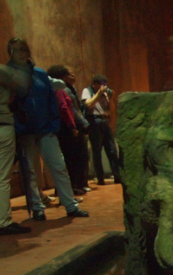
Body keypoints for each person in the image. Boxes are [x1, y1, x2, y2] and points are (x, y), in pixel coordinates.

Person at [7, 38, 88, 220]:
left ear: (28, 52)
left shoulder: (39, 74)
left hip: (45, 129)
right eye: (16, 51)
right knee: (30, 172)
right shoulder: (8, 74)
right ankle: (37, 207)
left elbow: (53, 98)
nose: (20, 54)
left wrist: (53, 123)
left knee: (59, 167)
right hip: (24, 131)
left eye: (23, 50)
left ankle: (70, 205)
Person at [0, 46, 31, 235]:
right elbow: (22, 86)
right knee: (0, 177)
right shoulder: (0, 71)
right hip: (1, 124)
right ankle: (1, 222)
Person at [47, 65, 90, 195]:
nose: (72, 76)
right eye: (69, 74)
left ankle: (74, 186)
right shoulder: (61, 89)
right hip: (67, 127)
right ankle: (70, 188)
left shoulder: (67, 88)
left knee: (73, 158)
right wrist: (75, 125)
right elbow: (66, 109)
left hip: (65, 126)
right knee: (72, 158)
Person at [82, 74, 121, 185]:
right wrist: (99, 93)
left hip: (105, 120)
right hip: (94, 120)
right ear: (95, 84)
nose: (104, 87)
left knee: (112, 149)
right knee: (97, 150)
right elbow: (88, 104)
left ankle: (117, 176)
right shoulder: (87, 91)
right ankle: (100, 178)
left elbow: (111, 110)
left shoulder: (105, 94)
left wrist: (112, 98)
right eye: (102, 85)